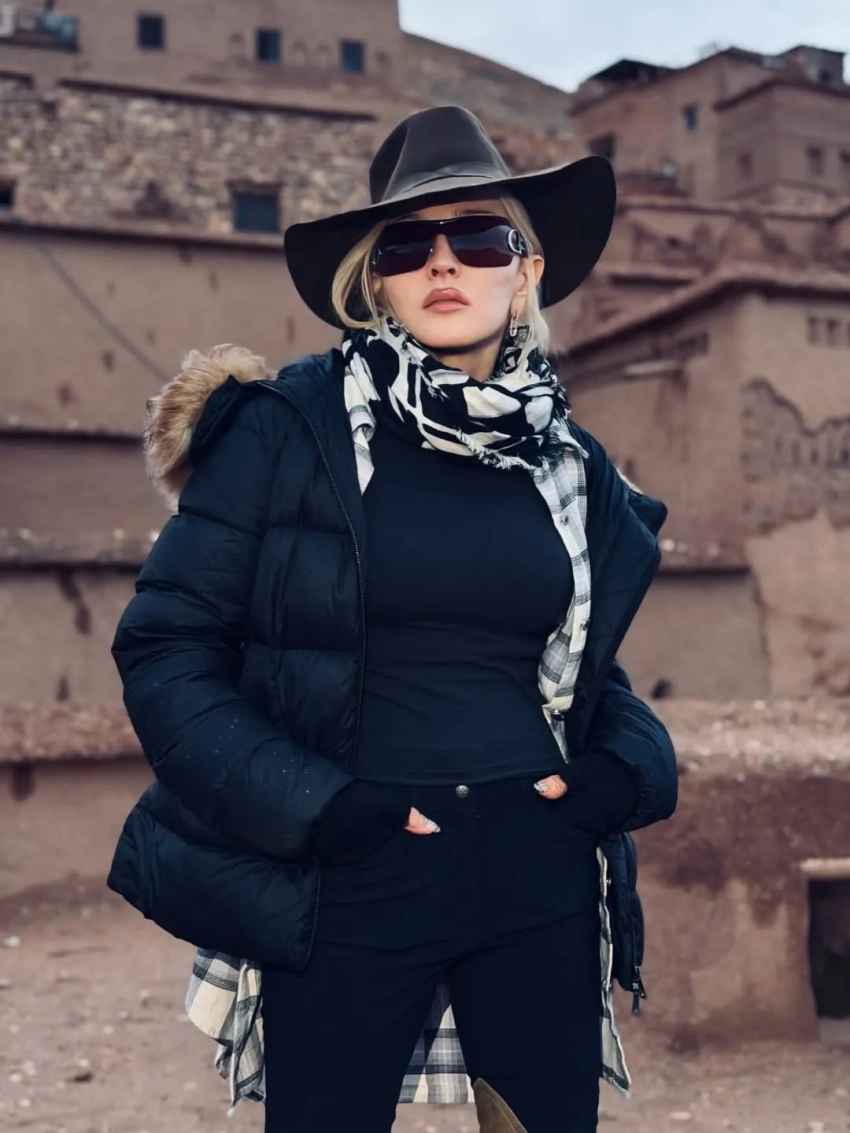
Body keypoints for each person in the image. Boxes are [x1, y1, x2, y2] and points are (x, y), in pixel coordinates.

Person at [107, 106, 677, 1133]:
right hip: (352, 869)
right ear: (376, 282)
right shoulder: (287, 427)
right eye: (408, 245)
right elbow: (166, 649)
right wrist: (322, 808)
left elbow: (583, 669)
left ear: (527, 271)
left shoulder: (569, 459)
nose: (443, 262)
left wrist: (625, 770)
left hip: (538, 865)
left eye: (481, 238)